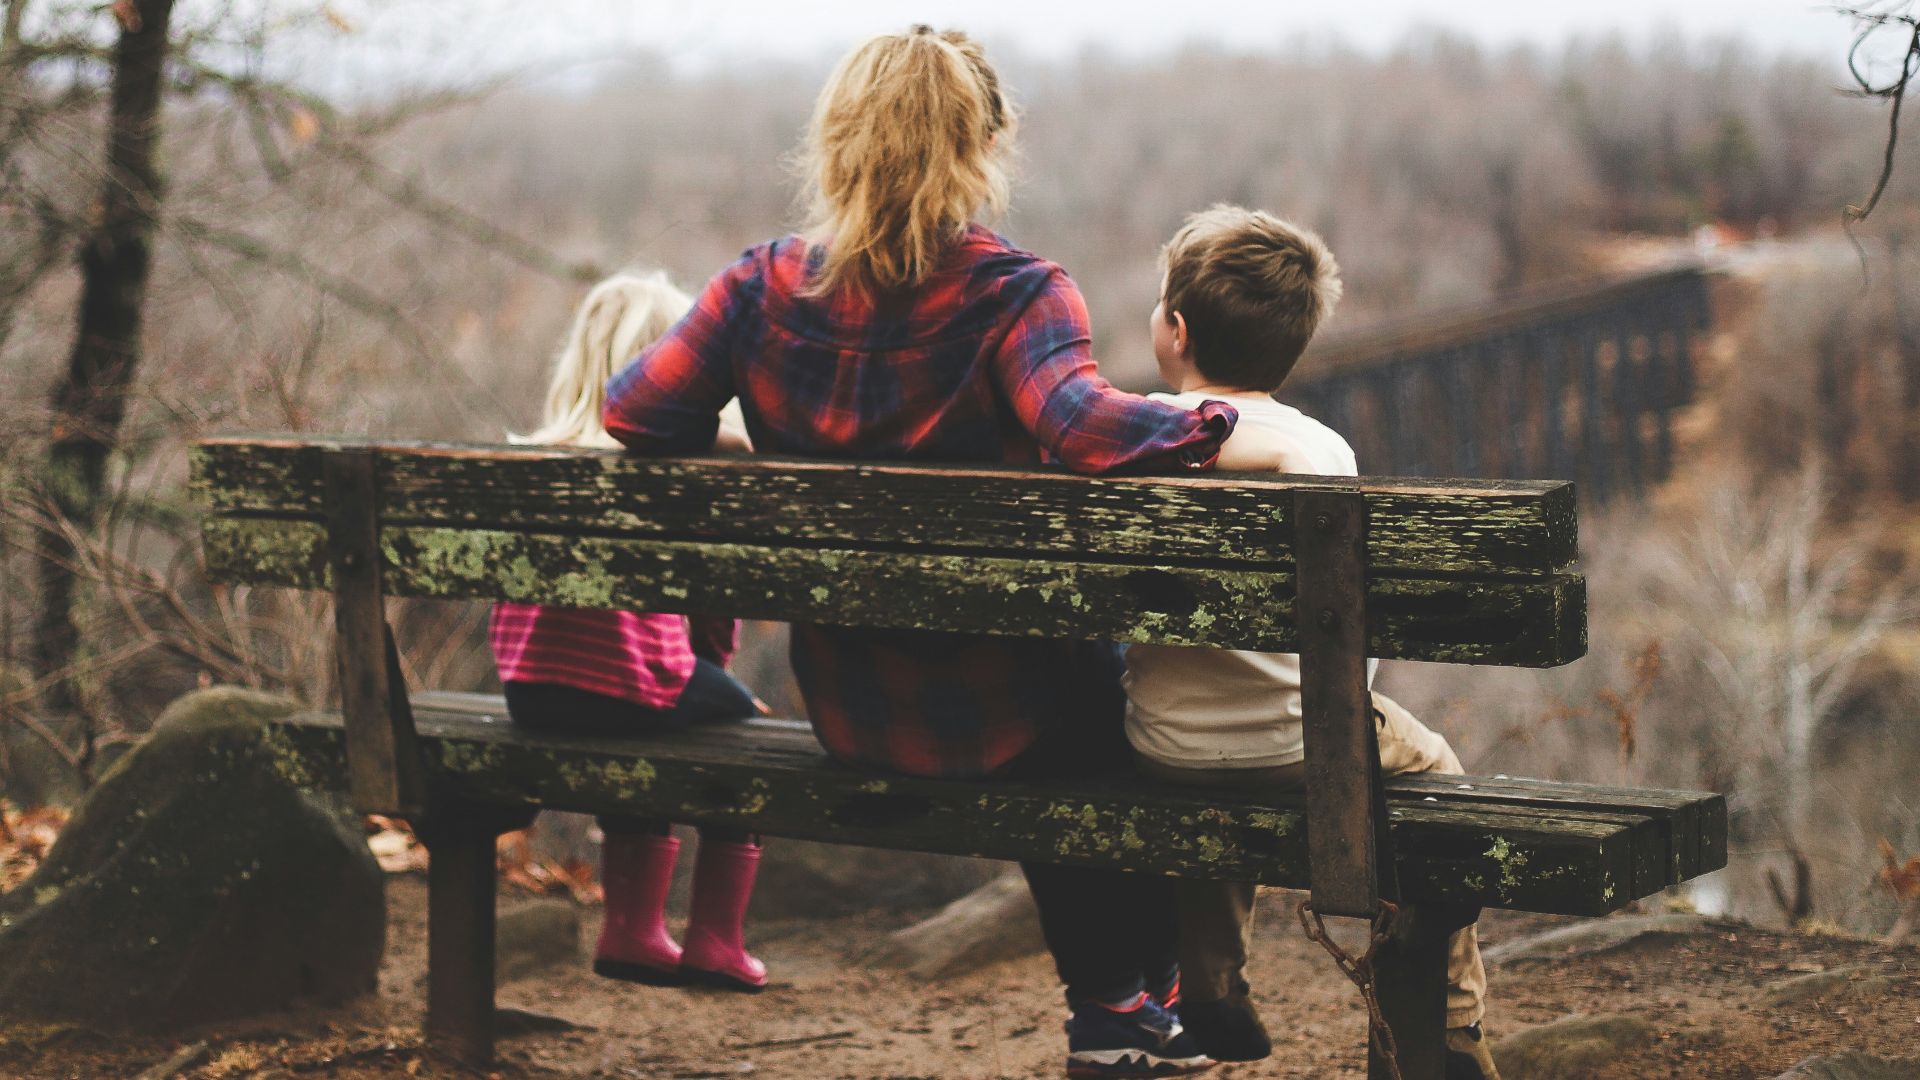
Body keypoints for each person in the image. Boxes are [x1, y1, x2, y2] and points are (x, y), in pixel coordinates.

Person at [602, 26, 1240, 1078]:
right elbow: (1083, 428)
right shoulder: (1016, 294)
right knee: (1110, 700)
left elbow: (633, 413)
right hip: (1012, 715)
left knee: (1078, 696)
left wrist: (735, 440)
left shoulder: (757, 288)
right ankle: (1125, 1006)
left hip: (852, 708)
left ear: (837, 142)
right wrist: (1212, 421)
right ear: (986, 144)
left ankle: (1132, 1008)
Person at [1120, 205, 1501, 1080]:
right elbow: (1347, 641)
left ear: (1174, 332)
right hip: (1305, 744)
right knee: (1437, 772)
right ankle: (1450, 1021)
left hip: (1161, 745)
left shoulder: (1130, 437)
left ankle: (1210, 979)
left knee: (1216, 752)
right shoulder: (1321, 449)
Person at [491, 271, 769, 992]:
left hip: (530, 692)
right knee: (742, 731)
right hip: (627, 687)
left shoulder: (533, 460)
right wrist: (720, 678)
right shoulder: (671, 469)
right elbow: (709, 612)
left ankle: (633, 930)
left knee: (647, 709)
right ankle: (713, 941)